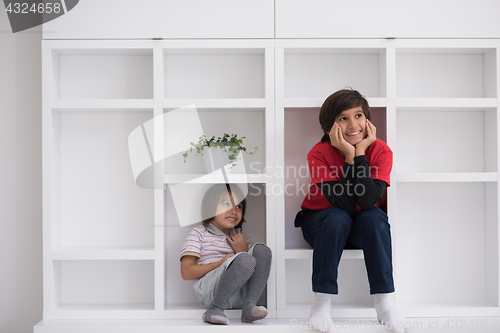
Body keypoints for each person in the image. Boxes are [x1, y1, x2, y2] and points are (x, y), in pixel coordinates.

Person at [294, 89, 409, 333]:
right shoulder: (318, 153)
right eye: (343, 118)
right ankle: (320, 303)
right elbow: (343, 204)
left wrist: (360, 154)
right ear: (330, 126)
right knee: (337, 217)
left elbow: (367, 201)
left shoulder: (380, 150)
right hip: (322, 224)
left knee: (375, 215)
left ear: (367, 119)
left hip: (362, 227)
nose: (353, 124)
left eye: (358, 115)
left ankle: (384, 303)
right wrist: (349, 155)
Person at [180, 183, 272, 325]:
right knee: (245, 259)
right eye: (226, 203)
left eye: (239, 206)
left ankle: (249, 306)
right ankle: (214, 309)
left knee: (262, 250)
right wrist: (220, 263)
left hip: (239, 294)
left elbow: (248, 268)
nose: (234, 211)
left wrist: (243, 251)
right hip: (211, 293)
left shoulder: (242, 239)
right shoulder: (199, 234)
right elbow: (186, 272)